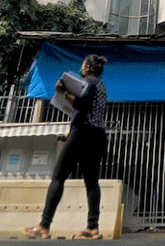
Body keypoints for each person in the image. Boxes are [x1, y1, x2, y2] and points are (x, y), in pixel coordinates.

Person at [24, 54, 109, 240]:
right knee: (92, 181)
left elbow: (83, 104)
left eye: (83, 65)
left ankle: (44, 225)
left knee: (58, 176)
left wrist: (63, 93)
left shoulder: (90, 83)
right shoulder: (102, 86)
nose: (81, 67)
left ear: (87, 68)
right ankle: (92, 227)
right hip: (97, 135)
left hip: (83, 133)